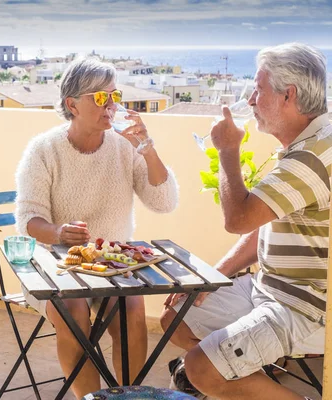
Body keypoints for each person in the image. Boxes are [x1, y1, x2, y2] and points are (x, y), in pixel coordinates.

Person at [161, 42, 330, 400]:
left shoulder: (313, 157)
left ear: (289, 95)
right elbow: (262, 226)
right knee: (176, 315)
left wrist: (226, 151)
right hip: (267, 287)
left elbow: (238, 219)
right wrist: (213, 276)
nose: (251, 100)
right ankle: (237, 374)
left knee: (200, 368)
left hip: (304, 306)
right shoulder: (304, 144)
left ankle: (221, 373)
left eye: (258, 89)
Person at [15, 56, 179, 398]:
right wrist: (59, 233)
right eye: (100, 98)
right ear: (72, 104)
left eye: (114, 96)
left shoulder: (125, 146)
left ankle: (128, 396)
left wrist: (147, 150)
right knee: (73, 313)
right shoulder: (44, 150)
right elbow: (29, 221)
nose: (111, 106)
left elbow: (164, 203)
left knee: (131, 312)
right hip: (58, 265)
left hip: (113, 265)